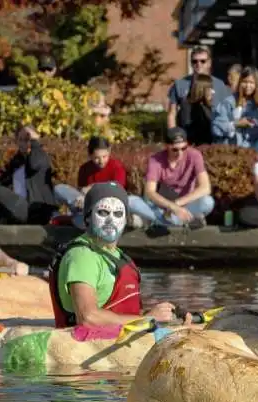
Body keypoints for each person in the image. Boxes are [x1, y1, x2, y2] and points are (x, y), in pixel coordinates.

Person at [49, 182, 189, 328]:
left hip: (116, 342)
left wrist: (168, 315)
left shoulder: (118, 255)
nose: (111, 219)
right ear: (88, 217)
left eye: (118, 214)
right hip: (88, 347)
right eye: (103, 212)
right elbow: (88, 318)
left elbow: (124, 313)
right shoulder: (82, 256)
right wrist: (147, 319)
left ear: (125, 219)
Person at [128, 127, 215, 228]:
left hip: (185, 206)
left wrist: (177, 204)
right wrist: (171, 206)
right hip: (161, 207)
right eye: (175, 150)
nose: (180, 153)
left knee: (207, 202)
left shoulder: (194, 155)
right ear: (166, 146)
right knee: (130, 201)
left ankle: (161, 222)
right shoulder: (156, 160)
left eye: (184, 148)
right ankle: (177, 222)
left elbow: (205, 188)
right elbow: (150, 192)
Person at [54, 136, 127, 229]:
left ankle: (76, 220)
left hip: (107, 206)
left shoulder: (116, 167)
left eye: (104, 157)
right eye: (96, 158)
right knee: (59, 188)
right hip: (87, 205)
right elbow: (82, 190)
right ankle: (80, 218)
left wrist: (93, 187)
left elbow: (117, 190)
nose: (101, 161)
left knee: (87, 216)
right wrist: (81, 198)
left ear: (109, 152)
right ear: (90, 155)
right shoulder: (85, 168)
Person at [0, 126, 58, 225]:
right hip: (17, 209)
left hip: (35, 210)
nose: (23, 143)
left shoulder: (41, 156)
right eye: (20, 140)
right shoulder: (16, 162)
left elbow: (34, 165)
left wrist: (34, 141)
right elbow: (4, 183)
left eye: (27, 140)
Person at [167, 45, 231, 130]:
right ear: (191, 63)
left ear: (209, 63)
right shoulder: (180, 84)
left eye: (203, 61)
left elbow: (226, 113)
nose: (198, 64)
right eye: (195, 61)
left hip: (212, 135)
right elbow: (172, 113)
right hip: (186, 135)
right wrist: (174, 134)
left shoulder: (219, 84)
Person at [212, 66, 258, 150]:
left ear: (257, 84)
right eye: (245, 82)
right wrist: (236, 124)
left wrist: (256, 152)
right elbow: (216, 128)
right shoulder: (228, 102)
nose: (247, 86)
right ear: (240, 82)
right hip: (228, 150)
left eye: (251, 82)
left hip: (252, 153)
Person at [184, 73, 215, 146]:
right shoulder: (190, 107)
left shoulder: (206, 106)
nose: (213, 92)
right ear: (202, 89)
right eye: (210, 88)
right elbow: (188, 132)